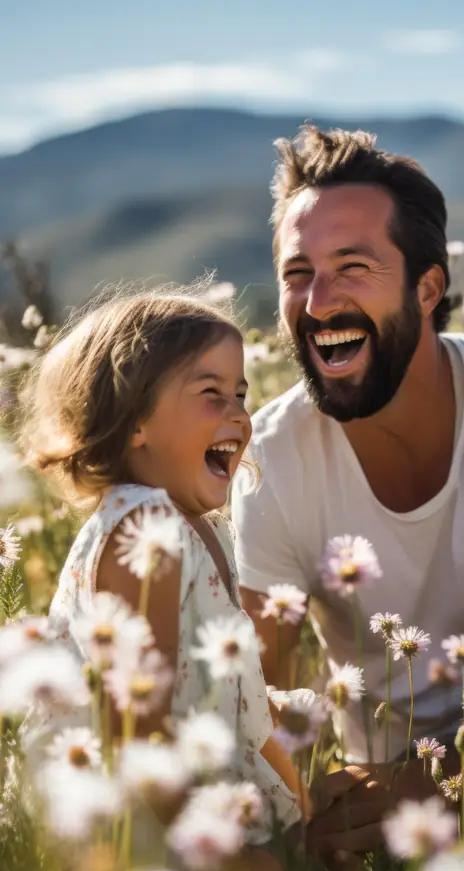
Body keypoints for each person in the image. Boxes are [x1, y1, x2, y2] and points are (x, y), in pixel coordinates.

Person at [231, 124, 464, 861]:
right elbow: (252, 698)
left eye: (352, 266)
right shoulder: (270, 460)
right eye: (297, 272)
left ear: (428, 288)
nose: (317, 301)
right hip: (364, 830)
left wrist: (424, 786)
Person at [20, 288, 302, 834]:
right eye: (211, 394)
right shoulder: (142, 531)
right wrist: (229, 862)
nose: (239, 416)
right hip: (138, 826)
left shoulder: (204, 529)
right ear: (135, 419)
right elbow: (137, 726)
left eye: (240, 395)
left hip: (206, 799)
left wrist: (301, 809)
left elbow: (235, 703)